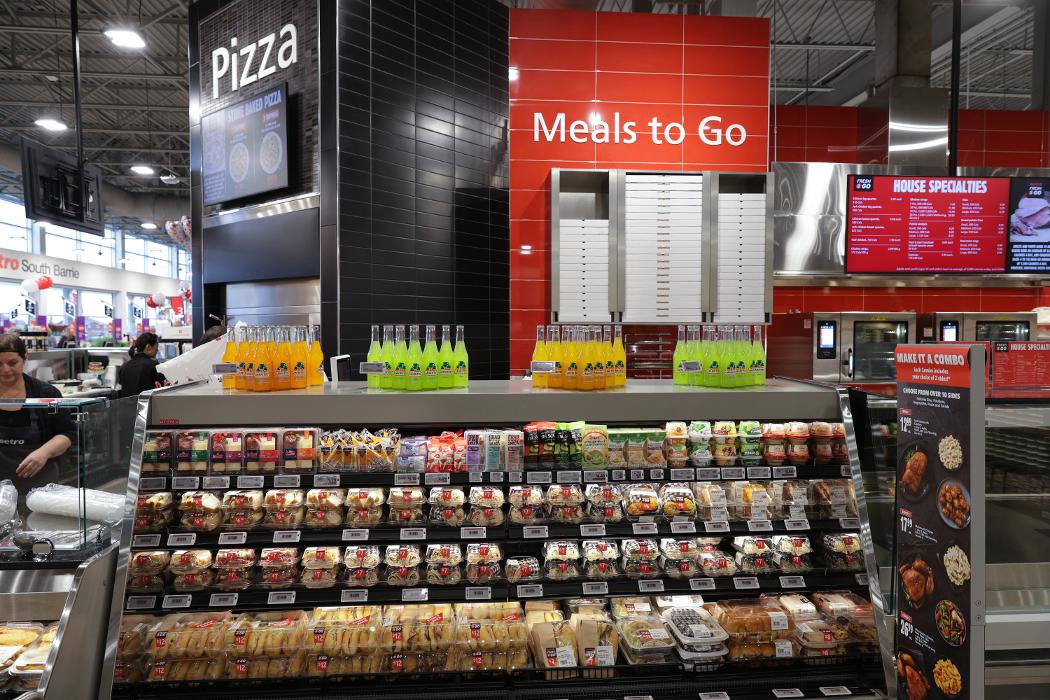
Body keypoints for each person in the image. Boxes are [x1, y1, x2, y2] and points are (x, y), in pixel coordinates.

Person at [0, 334, 75, 515]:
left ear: (25, 357)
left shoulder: (45, 393)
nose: (5, 370)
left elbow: (69, 433)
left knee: (36, 528)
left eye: (12, 363)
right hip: (1, 489)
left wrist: (44, 452)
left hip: (38, 485)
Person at [118, 332, 167, 398]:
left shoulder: (124, 366)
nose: (157, 350)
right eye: (156, 347)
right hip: (146, 404)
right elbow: (162, 389)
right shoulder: (153, 366)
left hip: (126, 404)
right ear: (148, 347)